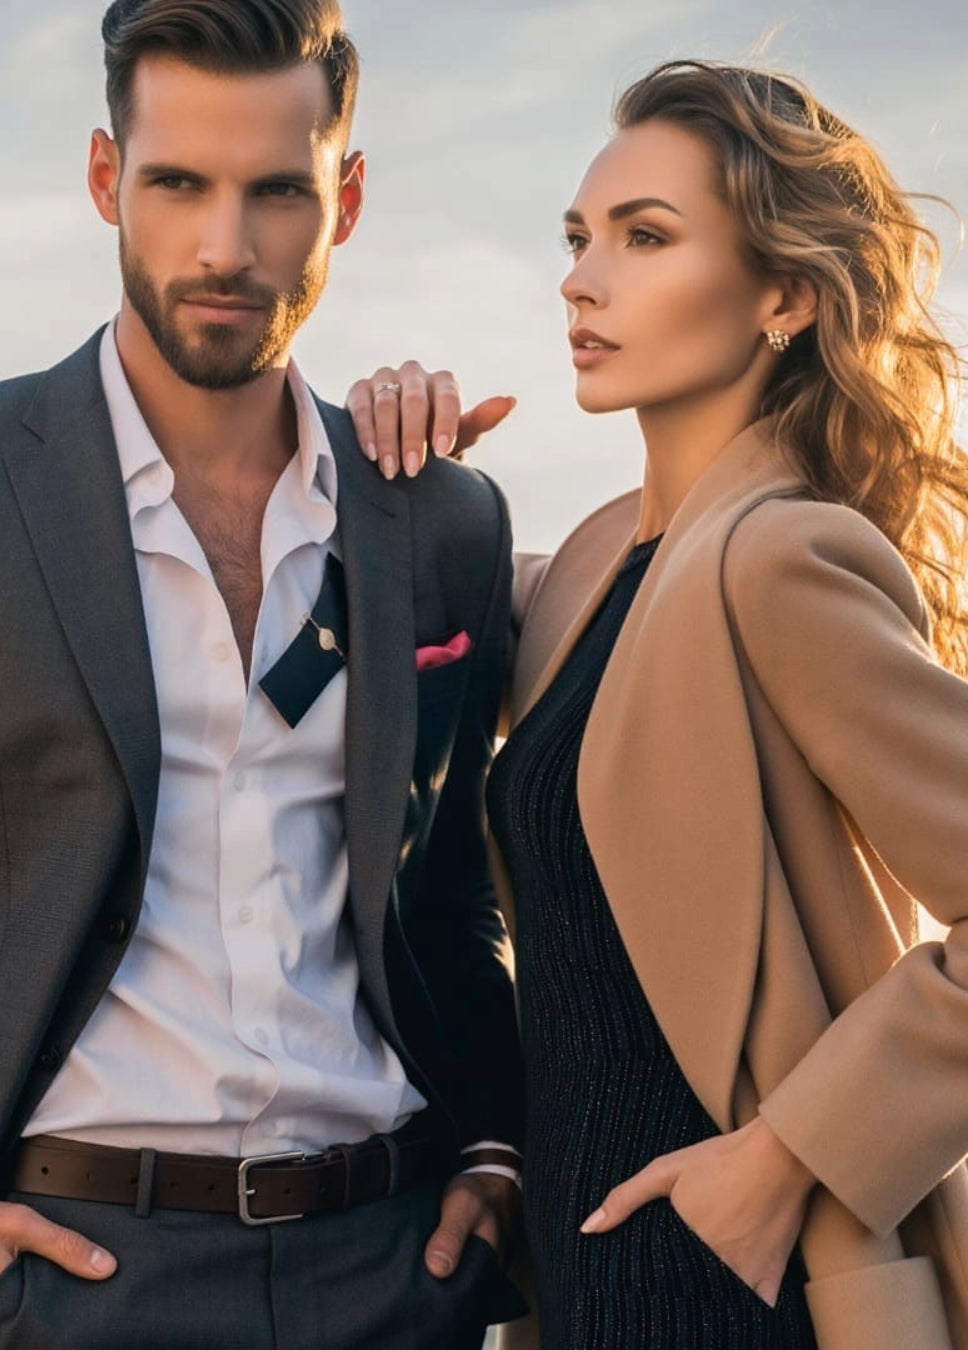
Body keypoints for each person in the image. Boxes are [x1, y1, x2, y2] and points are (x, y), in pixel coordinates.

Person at [0, 2, 528, 1347]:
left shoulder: (443, 520)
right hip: (53, 1276)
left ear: (343, 199)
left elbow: (450, 887)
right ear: (107, 180)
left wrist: (497, 1149)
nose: (225, 247)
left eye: (277, 191)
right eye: (178, 183)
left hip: (392, 1268)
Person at [346, 60, 968, 1350]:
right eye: (580, 238)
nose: (584, 276)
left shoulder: (780, 558)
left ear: (784, 293)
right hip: (585, 1287)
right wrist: (401, 470)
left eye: (646, 237)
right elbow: (395, 617)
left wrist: (783, 1160)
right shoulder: (589, 569)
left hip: (757, 1290)